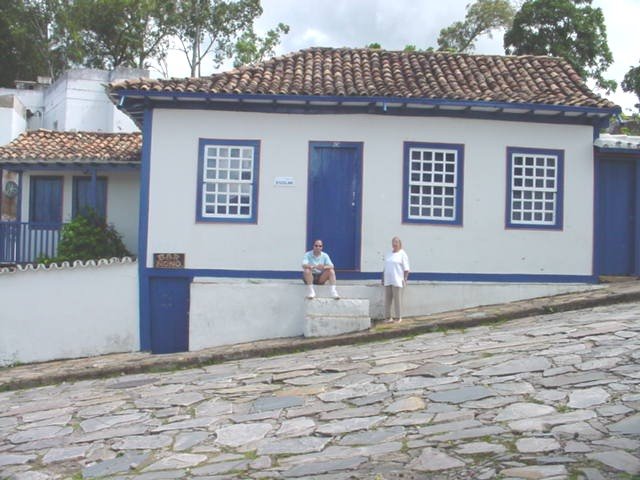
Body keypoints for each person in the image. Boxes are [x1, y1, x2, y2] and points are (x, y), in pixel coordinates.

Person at [382, 236, 410, 323]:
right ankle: (388, 317)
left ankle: (398, 317)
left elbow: (406, 269)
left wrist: (404, 278)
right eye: (393, 242)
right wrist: (382, 278)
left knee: (397, 300)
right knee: (388, 299)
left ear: (399, 243)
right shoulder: (388, 254)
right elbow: (385, 267)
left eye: (396, 242)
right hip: (388, 279)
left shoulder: (402, 254)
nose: (394, 244)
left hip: (397, 280)